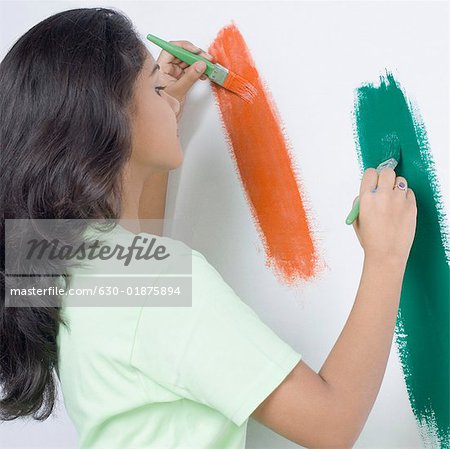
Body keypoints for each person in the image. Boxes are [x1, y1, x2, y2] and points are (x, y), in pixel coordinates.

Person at [0, 7, 417, 449]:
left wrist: (157, 118)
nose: (174, 100)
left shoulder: (43, 256)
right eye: (157, 90)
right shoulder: (156, 281)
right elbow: (331, 425)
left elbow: (140, 267)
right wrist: (385, 258)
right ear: (112, 119)